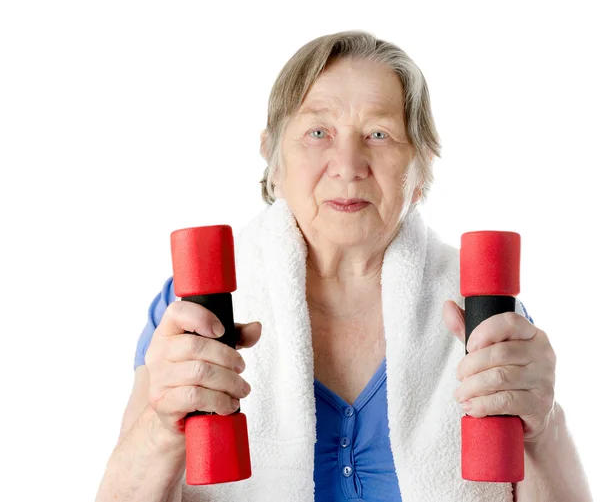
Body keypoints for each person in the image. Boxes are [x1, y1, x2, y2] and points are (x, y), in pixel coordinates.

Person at [95, 31, 592, 502]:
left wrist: (543, 427)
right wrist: (163, 427)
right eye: (317, 132)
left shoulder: (486, 315)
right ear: (272, 155)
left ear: (419, 167)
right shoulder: (192, 310)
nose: (348, 163)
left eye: (379, 133)